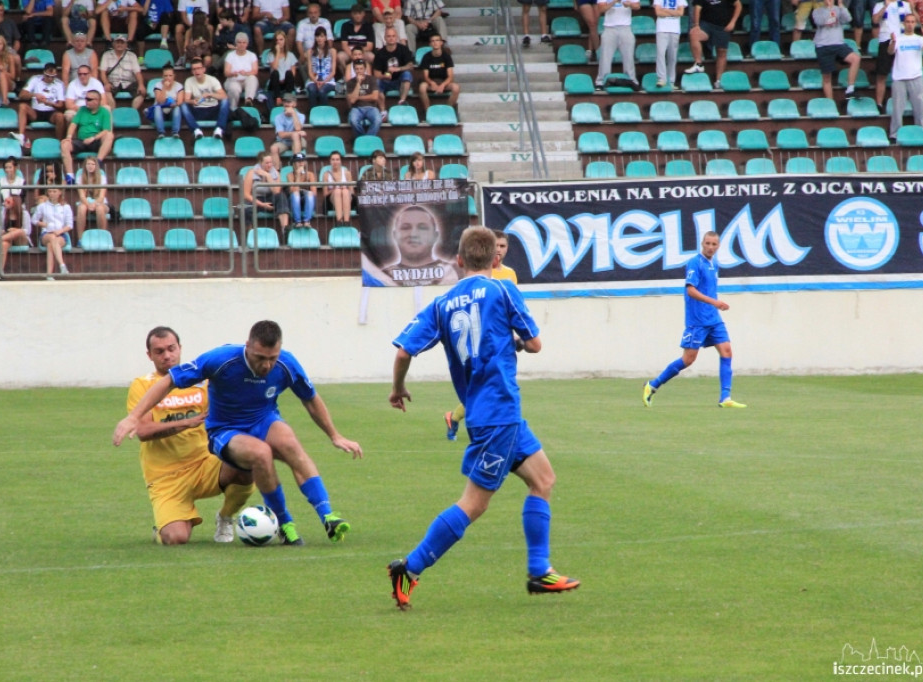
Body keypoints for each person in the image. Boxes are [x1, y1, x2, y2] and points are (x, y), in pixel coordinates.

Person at [387, 226, 580, 610]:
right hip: (499, 413)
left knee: (543, 479)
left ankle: (539, 570)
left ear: (458, 261)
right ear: (496, 260)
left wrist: (398, 388)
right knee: (474, 504)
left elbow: (403, 352)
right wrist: (514, 342)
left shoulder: (441, 304)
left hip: (487, 412)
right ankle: (410, 567)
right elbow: (536, 344)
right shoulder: (502, 289)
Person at [113, 320, 363, 547]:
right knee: (259, 455)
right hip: (214, 438)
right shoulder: (219, 361)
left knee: (290, 444)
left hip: (252, 428)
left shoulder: (287, 363)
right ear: (247, 346)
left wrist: (335, 435)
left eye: (272, 358)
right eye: (259, 357)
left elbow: (310, 399)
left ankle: (327, 515)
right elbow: (167, 384)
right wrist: (134, 417)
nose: (266, 365)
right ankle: (285, 524)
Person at [126, 326, 256, 545]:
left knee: (246, 461)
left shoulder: (202, 382)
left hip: (204, 464)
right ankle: (164, 525)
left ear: (180, 348)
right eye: (159, 351)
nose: (167, 355)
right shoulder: (142, 385)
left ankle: (225, 517)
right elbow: (143, 432)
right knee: (176, 538)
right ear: (149, 355)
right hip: (166, 478)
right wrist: (185, 422)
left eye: (171, 348)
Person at [643, 231, 746, 408]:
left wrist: (714, 306)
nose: (710, 247)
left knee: (727, 351)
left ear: (718, 246)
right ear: (702, 244)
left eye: (714, 244)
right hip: (697, 320)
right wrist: (715, 302)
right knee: (688, 359)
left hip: (713, 318)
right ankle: (652, 385)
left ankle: (725, 398)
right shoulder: (695, 263)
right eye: (708, 243)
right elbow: (690, 290)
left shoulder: (714, 264)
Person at [443, 229, 517, 442]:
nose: (500, 251)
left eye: (503, 246)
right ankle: (459, 419)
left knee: (486, 384)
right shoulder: (476, 280)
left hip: (498, 340)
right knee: (485, 384)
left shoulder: (509, 275)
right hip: (478, 340)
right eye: (497, 246)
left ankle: (456, 418)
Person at [380, 204, 458, 286]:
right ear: (395, 235)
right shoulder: (382, 276)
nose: (414, 234)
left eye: (422, 228)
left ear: (435, 236)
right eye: (406, 227)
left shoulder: (456, 272)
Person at [889, 12, 923, 139]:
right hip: (899, 78)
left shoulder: (919, 39)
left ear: (915, 24)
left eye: (912, 22)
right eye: (908, 22)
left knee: (919, 108)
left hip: (916, 77)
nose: (910, 24)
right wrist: (893, 41)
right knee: (897, 109)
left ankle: (922, 132)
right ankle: (895, 134)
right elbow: (890, 51)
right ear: (904, 24)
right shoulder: (899, 38)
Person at [61, 87, 114, 183]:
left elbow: (106, 131)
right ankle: (70, 176)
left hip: (96, 141)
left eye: (89, 99)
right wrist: (68, 137)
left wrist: (93, 138)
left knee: (109, 136)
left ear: (97, 101)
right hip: (81, 141)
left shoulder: (104, 112)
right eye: (86, 99)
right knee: (64, 144)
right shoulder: (82, 110)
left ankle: (98, 163)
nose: (86, 101)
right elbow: (73, 124)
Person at [813, 0, 860, 99]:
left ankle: (850, 89)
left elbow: (848, 19)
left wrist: (841, 6)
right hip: (823, 46)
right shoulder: (817, 11)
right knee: (827, 77)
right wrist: (830, 9)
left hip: (838, 43)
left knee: (855, 58)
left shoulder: (839, 10)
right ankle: (830, 103)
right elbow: (821, 22)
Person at [872, 0, 914, 107]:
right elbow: (875, 20)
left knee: (905, 72)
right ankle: (879, 103)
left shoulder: (905, 5)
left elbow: (911, 21)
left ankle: (907, 100)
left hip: (902, 41)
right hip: (885, 40)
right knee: (882, 74)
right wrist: (885, 7)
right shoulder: (879, 5)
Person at [13, 64, 66, 149]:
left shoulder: (59, 84)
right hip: (36, 111)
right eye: (48, 76)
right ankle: (21, 136)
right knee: (22, 106)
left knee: (60, 116)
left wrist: (49, 103)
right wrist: (34, 95)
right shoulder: (35, 79)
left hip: (51, 112)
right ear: (44, 73)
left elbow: (61, 104)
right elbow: (21, 95)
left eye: (53, 77)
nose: (50, 79)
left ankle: (59, 143)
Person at [181, 57, 231, 139]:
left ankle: (219, 129)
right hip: (198, 110)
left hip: (213, 110)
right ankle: (196, 130)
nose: (197, 71)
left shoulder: (212, 80)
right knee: (183, 105)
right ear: (192, 71)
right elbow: (186, 99)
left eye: (199, 68)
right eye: (194, 69)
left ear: (203, 69)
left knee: (225, 101)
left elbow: (224, 96)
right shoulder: (189, 81)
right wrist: (192, 101)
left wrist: (210, 94)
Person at [242, 151, 290, 234]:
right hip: (256, 199)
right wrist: (262, 204)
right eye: (267, 163)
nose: (270, 165)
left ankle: (285, 229)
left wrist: (268, 176)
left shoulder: (275, 173)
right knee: (246, 207)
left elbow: (276, 191)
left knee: (281, 197)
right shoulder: (251, 173)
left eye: (271, 162)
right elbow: (246, 194)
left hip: (270, 198)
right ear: (260, 163)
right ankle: (250, 233)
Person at [33, 185, 73, 277]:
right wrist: (43, 224)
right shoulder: (42, 206)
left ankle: (49, 274)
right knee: (51, 238)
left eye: (54, 191)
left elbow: (70, 225)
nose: (51, 194)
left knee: (52, 244)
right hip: (46, 233)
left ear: (60, 192)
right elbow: (34, 220)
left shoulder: (66, 207)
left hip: (61, 234)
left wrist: (60, 231)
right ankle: (62, 265)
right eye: (50, 191)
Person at [99, 33, 146, 109]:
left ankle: (132, 112)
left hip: (129, 82)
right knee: (106, 91)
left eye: (122, 43)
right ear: (113, 44)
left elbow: (137, 72)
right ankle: (113, 113)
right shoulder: (106, 55)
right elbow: (102, 72)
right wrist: (106, 83)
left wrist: (141, 84)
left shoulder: (132, 55)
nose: (119, 44)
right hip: (113, 82)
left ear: (126, 45)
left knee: (141, 92)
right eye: (117, 42)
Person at [373, 25, 415, 109]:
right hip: (386, 81)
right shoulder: (380, 53)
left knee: (407, 74)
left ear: (397, 37)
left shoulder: (403, 49)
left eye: (393, 36)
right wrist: (384, 76)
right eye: (388, 36)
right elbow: (376, 74)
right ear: (385, 38)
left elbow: (410, 66)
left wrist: (398, 69)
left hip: (400, 81)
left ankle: (402, 101)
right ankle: (383, 111)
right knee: (376, 82)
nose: (391, 38)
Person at [417, 33, 459, 110]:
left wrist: (442, 85)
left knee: (456, 88)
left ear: (441, 43)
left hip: (444, 82)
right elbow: (425, 76)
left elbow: (450, 76)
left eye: (437, 40)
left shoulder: (446, 56)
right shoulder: (426, 57)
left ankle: (448, 110)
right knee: (422, 87)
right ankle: (428, 111)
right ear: (430, 44)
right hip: (431, 82)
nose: (435, 43)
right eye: (432, 41)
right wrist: (432, 83)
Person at [74, 154, 108, 241]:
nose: (90, 166)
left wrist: (94, 204)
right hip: (86, 202)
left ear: (96, 166)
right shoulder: (80, 178)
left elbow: (101, 197)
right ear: (85, 166)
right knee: (81, 208)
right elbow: (82, 196)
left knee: (100, 209)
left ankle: (102, 237)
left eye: (93, 164)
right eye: (88, 164)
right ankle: (80, 239)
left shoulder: (102, 177)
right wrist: (88, 204)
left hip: (100, 202)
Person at [653, 0, 686, 87]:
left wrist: (665, 10)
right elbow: (658, 12)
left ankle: (671, 81)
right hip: (661, 29)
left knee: (672, 56)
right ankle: (661, 78)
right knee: (660, 54)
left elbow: (681, 12)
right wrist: (674, 12)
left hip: (674, 30)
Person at [336, 0, 373, 78]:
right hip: (349, 52)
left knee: (372, 57)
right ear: (352, 14)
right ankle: (347, 77)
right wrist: (353, 55)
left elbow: (370, 46)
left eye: (359, 13)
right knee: (340, 56)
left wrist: (359, 54)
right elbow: (344, 45)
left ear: (363, 14)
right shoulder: (345, 26)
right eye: (355, 13)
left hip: (363, 52)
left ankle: (367, 78)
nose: (358, 16)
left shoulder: (368, 26)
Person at [0, 194, 33, 274]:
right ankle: (0, 271)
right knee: (4, 244)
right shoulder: (3, 213)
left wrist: (16, 230)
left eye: (8, 202)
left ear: (15, 203)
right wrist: (1, 231)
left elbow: (28, 231)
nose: (5, 203)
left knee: (19, 232)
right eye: (5, 201)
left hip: (20, 239)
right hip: (8, 238)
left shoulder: (24, 213)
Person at [223, 30, 260, 108]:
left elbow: (255, 71)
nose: (241, 45)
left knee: (252, 78)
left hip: (246, 80)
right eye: (239, 42)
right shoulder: (230, 55)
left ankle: (248, 100)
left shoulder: (252, 55)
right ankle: (233, 109)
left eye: (244, 42)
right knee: (234, 88)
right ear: (236, 43)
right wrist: (233, 73)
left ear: (247, 44)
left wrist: (246, 73)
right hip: (233, 80)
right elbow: (226, 72)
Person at [346, 58, 381, 135]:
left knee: (378, 120)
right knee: (353, 120)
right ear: (354, 70)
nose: (359, 71)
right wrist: (358, 83)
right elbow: (352, 101)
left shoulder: (372, 79)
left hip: (371, 107)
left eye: (361, 69)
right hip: (357, 108)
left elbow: (374, 97)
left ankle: (367, 140)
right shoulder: (350, 82)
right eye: (357, 69)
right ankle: (362, 140)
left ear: (365, 69)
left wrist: (357, 97)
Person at [270, 91, 307, 166]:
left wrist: (293, 114)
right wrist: (294, 134)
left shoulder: (301, 116)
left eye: (289, 102)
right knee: (273, 148)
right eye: (285, 102)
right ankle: (277, 172)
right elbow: (281, 135)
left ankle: (296, 166)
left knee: (296, 136)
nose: (286, 104)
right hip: (283, 142)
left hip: (299, 140)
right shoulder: (278, 117)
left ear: (294, 104)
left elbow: (298, 128)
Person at [147, 63, 183, 136]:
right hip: (160, 111)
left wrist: (175, 104)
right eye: (165, 76)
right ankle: (161, 132)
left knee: (177, 108)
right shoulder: (158, 85)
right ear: (162, 76)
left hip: (172, 110)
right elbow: (160, 101)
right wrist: (164, 88)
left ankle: (175, 132)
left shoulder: (179, 86)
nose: (168, 78)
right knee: (157, 108)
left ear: (174, 76)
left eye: (170, 76)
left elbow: (180, 101)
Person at [294, 1, 331, 72]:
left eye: (315, 12)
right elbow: (299, 42)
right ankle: (307, 82)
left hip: (323, 51)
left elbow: (330, 41)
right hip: (307, 53)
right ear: (307, 14)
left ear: (319, 13)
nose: (313, 15)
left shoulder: (325, 22)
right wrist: (302, 55)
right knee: (302, 62)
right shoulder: (302, 24)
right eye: (311, 13)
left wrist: (325, 52)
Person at [264, 28, 297, 105]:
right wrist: (278, 52)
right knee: (275, 73)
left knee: (289, 73)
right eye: (277, 40)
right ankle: (277, 98)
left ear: (285, 40)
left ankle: (288, 98)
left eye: (281, 39)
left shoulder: (291, 55)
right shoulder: (271, 55)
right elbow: (275, 67)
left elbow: (293, 73)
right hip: (275, 82)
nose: (279, 42)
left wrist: (284, 79)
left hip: (286, 82)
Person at [305, 26, 336, 105]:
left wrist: (323, 82)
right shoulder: (310, 51)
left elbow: (333, 72)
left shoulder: (332, 51)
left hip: (328, 80)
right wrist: (316, 81)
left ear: (325, 38)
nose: (319, 38)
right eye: (317, 36)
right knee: (312, 90)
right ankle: (313, 113)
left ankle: (324, 113)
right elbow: (310, 71)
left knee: (322, 91)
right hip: (314, 80)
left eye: (321, 36)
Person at [174, 0, 209, 66]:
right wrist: (192, 26)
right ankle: (181, 57)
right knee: (178, 28)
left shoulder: (203, 1)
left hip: (201, 23)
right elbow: (183, 16)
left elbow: (205, 17)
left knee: (210, 27)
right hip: (188, 24)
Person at [321, 150, 353, 224]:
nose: (335, 162)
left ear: (340, 161)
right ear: (330, 161)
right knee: (337, 191)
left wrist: (344, 188)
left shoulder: (347, 173)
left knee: (345, 191)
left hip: (346, 197)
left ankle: (346, 221)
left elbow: (352, 192)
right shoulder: (326, 174)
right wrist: (334, 189)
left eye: (337, 159)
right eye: (333, 159)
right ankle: (339, 221)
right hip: (332, 200)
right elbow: (325, 194)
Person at [287, 152, 317, 228]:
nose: (301, 163)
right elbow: (292, 191)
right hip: (294, 201)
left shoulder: (310, 174)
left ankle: (307, 221)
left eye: (302, 161)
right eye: (298, 161)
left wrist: (304, 191)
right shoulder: (290, 175)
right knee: (296, 194)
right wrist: (297, 176)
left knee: (310, 194)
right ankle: (297, 222)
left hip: (307, 202)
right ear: (293, 164)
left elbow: (314, 192)